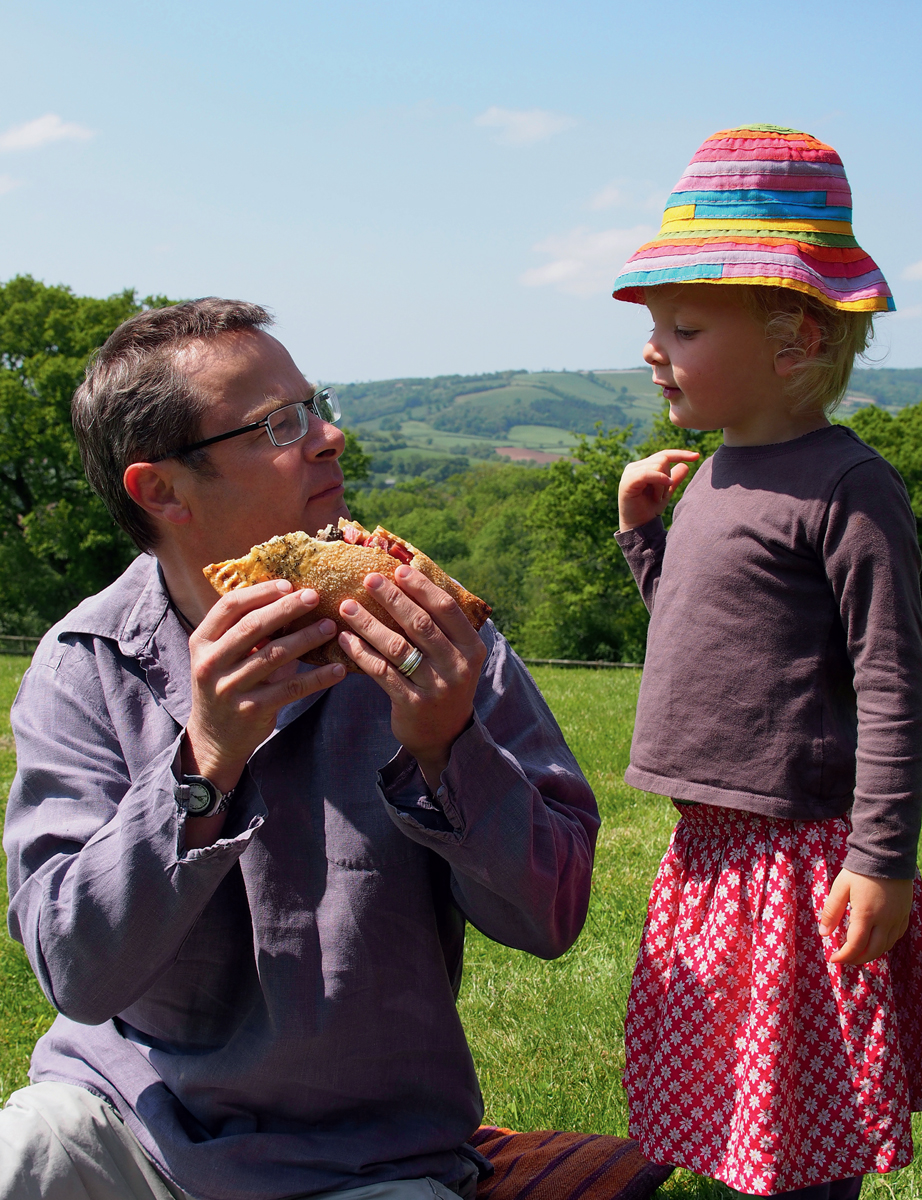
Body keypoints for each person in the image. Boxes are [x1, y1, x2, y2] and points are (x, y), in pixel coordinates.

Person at [1, 299, 600, 1200]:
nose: (330, 437)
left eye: (314, 404)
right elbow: (76, 972)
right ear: (161, 489)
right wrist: (205, 758)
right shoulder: (88, 665)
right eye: (279, 424)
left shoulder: (434, 636)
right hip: (122, 1121)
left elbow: (550, 919)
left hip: (366, 1157)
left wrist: (448, 750)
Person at [609, 125, 922, 1198]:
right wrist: (645, 537)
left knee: (800, 1106)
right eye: (657, 325)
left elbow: (891, 683)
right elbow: (711, 642)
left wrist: (880, 859)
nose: (656, 349)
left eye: (686, 326)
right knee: (734, 1084)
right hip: (712, 843)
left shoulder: (847, 487)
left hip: (801, 853)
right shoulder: (715, 472)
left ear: (793, 339)